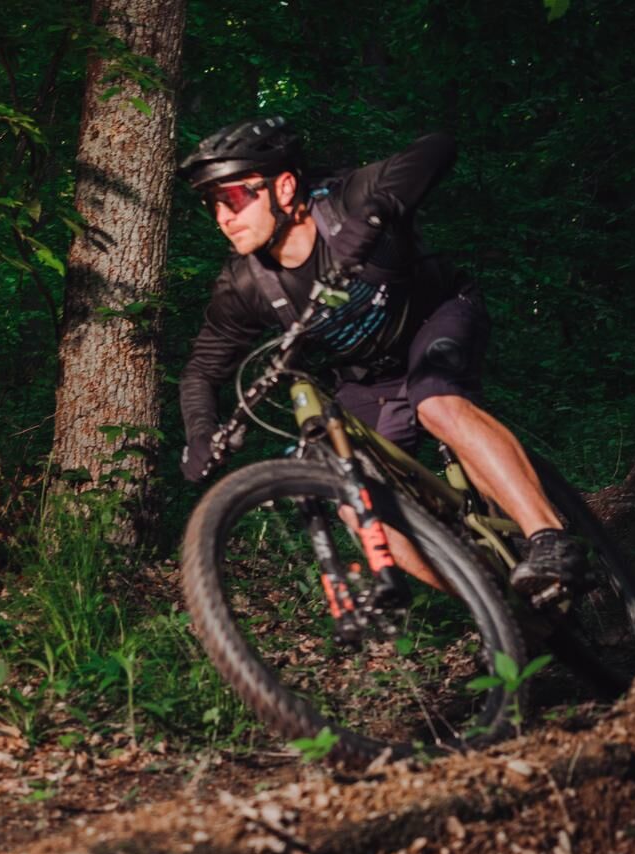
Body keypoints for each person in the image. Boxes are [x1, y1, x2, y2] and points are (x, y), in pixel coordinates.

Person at [176, 116, 584, 596]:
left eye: (233, 197)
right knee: (354, 500)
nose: (222, 216)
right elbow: (201, 371)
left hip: (436, 316)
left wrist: (375, 215)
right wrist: (200, 433)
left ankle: (549, 539)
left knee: (437, 401)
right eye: (212, 203)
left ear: (283, 187)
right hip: (369, 378)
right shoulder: (245, 285)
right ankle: (492, 605)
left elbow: (437, 144)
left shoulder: (343, 203)